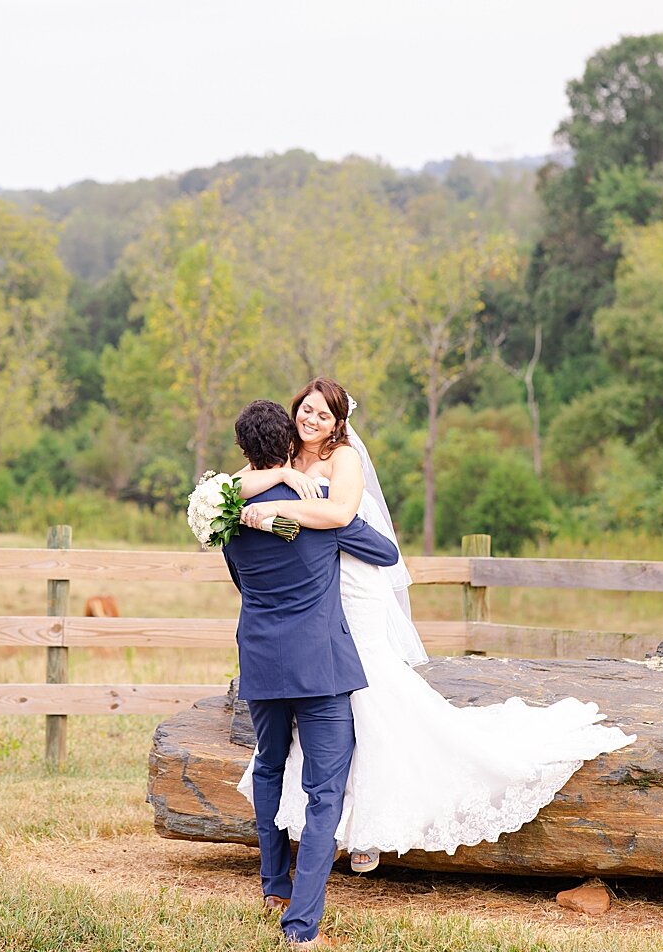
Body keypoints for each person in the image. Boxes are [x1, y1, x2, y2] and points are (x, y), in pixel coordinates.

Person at [235, 377, 635, 875]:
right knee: (322, 712)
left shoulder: (345, 459)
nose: (310, 420)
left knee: (367, 697)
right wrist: (273, 489)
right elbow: (233, 487)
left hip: (351, 580)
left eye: (323, 415)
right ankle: (324, 819)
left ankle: (369, 826)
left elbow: (340, 514)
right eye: (306, 410)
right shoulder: (286, 453)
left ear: (339, 424)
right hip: (312, 589)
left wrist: (279, 506)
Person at [223, 398, 401, 948]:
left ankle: (274, 886)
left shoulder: (226, 519)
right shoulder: (318, 508)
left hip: (259, 658)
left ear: (246, 452)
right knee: (324, 793)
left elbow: (240, 580)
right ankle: (301, 928)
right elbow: (386, 552)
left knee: (269, 768)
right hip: (321, 668)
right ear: (291, 444)